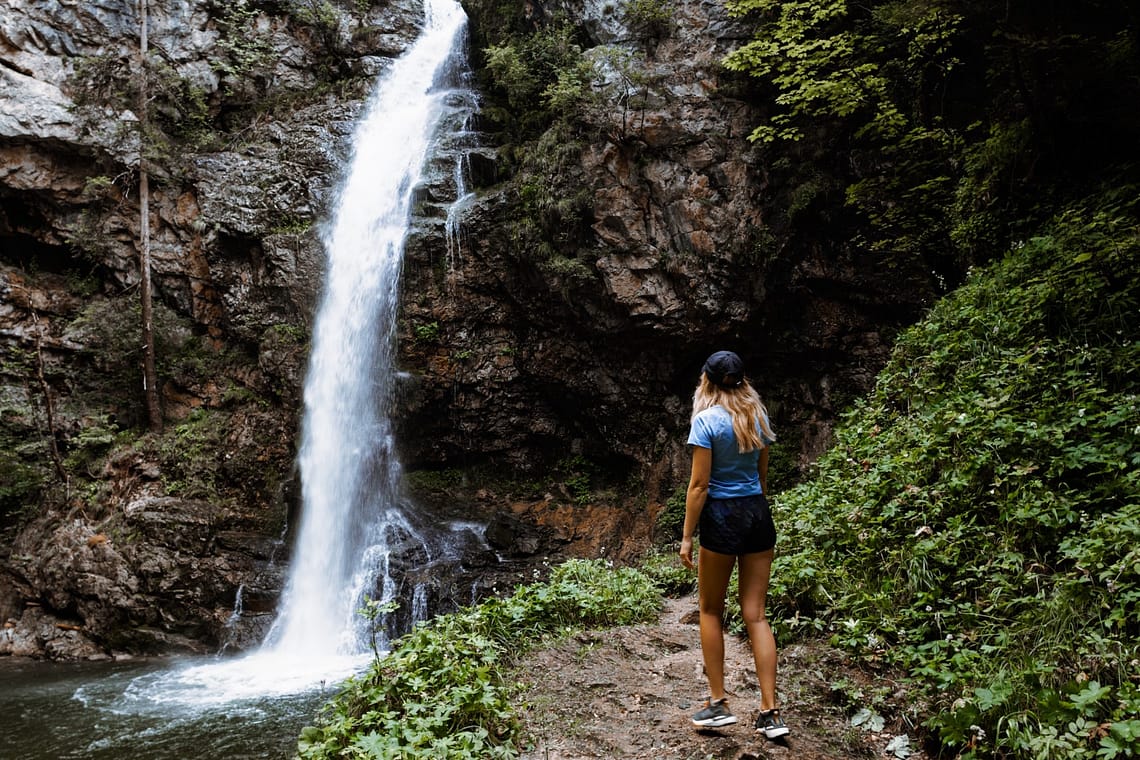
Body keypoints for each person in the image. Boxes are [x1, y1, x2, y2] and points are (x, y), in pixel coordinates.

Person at [680, 350, 789, 739]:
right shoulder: (757, 417)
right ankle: (769, 712)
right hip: (758, 514)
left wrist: (688, 535)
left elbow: (699, 485)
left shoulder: (706, 422)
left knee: (710, 610)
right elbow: (762, 478)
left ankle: (718, 703)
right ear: (744, 380)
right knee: (756, 615)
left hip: (723, 517)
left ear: (706, 381)